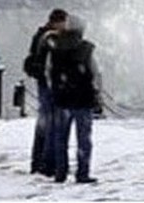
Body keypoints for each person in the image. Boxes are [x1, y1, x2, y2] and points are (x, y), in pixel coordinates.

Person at [46, 14, 101, 184]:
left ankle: (60, 172)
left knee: (61, 138)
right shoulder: (86, 48)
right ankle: (82, 172)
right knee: (84, 138)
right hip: (83, 98)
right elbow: (95, 73)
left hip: (62, 98)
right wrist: (96, 93)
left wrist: (56, 89)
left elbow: (49, 71)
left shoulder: (55, 47)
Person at [24, 8, 68, 176]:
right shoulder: (49, 37)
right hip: (49, 85)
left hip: (44, 82)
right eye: (63, 22)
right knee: (51, 123)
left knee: (44, 123)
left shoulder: (40, 35)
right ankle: (47, 163)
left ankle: (38, 162)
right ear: (58, 22)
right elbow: (51, 63)